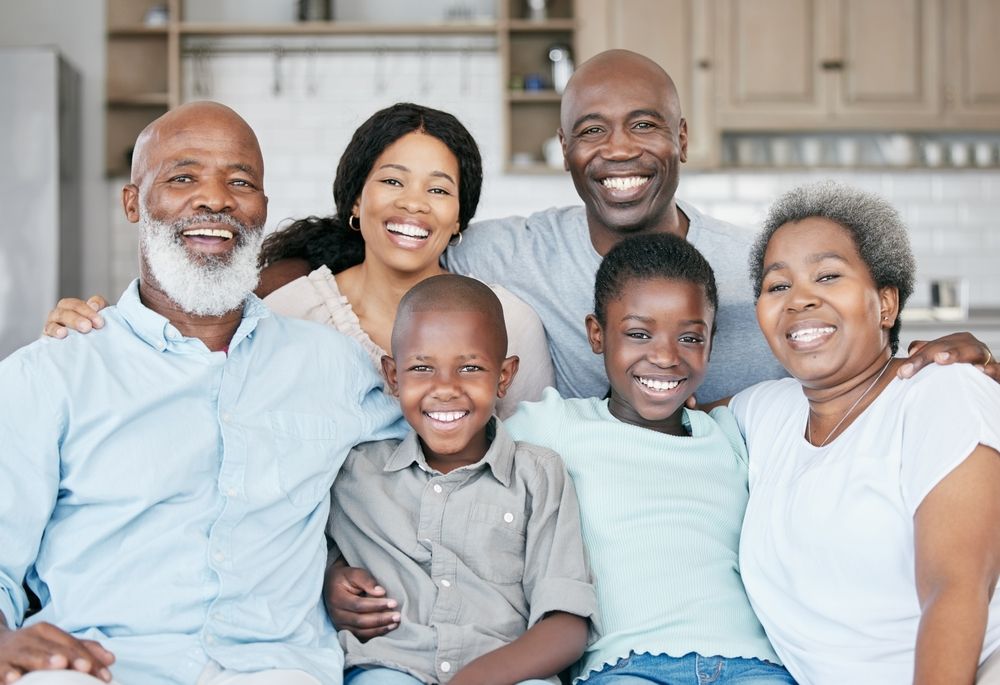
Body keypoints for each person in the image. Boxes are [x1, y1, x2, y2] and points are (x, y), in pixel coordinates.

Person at [0, 102, 405, 685]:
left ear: (263, 209)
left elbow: (421, 478)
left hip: (276, 670)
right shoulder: (55, 372)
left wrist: (334, 568)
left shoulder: (336, 366)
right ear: (134, 202)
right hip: (99, 669)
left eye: (240, 181)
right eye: (183, 177)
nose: (215, 199)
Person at [332, 234, 794, 684]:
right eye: (638, 333)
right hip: (627, 664)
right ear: (596, 335)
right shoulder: (553, 426)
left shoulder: (732, 434)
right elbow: (453, 432)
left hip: (751, 660)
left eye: (691, 339)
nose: (665, 357)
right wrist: (333, 576)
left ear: (712, 342)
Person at [44, 103, 553, 419]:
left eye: (438, 189)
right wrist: (100, 333)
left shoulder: (507, 322)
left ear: (461, 215)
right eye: (393, 181)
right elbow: (192, 365)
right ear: (356, 201)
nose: (413, 204)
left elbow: (533, 464)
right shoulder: (287, 315)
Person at [731, 182, 1000, 684]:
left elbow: (957, 588)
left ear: (886, 304)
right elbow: (659, 401)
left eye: (828, 276)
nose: (799, 301)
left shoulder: (940, 391)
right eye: (777, 286)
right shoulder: (762, 412)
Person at [330, 274, 596, 685]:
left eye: (470, 367)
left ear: (504, 376)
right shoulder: (354, 474)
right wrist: (331, 583)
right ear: (393, 375)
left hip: (508, 672)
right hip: (392, 667)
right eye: (422, 368)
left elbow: (566, 627)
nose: (446, 389)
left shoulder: (538, 475)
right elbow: (296, 561)